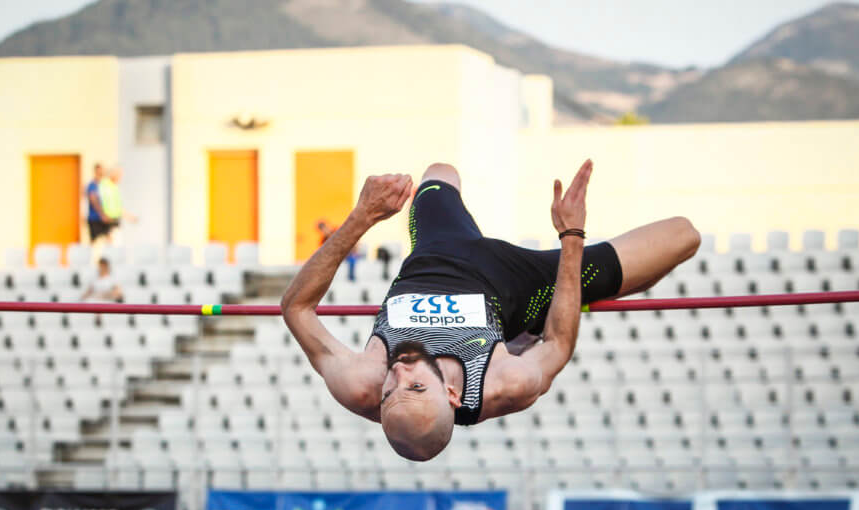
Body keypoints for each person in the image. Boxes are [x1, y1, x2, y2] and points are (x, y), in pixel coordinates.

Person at [281, 161, 700, 461]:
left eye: (390, 392)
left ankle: (626, 286)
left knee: (440, 172)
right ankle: (532, 329)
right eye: (416, 387)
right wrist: (571, 233)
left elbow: (296, 308)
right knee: (683, 236)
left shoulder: (362, 382)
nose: (399, 374)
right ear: (451, 395)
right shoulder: (504, 383)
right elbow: (559, 343)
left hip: (439, 248)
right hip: (524, 284)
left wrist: (361, 217)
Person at [98, 166, 137, 241]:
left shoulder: (114, 187)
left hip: (114, 220)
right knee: (108, 244)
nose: (120, 177)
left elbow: (118, 207)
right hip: (106, 221)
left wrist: (129, 216)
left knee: (114, 244)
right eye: (119, 174)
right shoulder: (105, 185)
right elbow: (100, 201)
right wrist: (103, 214)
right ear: (113, 174)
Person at [86, 163, 111, 243]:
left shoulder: (104, 185)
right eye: (100, 170)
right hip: (95, 219)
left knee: (108, 242)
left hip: (105, 219)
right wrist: (102, 214)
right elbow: (94, 201)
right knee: (96, 243)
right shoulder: (92, 185)